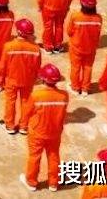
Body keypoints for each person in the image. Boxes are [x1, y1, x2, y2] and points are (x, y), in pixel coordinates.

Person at [20, 64, 69, 192]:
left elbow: (27, 112)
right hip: (55, 133)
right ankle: (53, 183)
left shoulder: (36, 96)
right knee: (54, 156)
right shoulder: (64, 96)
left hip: (38, 133)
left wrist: (23, 126)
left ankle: (31, 182)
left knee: (34, 157)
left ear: (42, 79)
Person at [0, 19, 42, 135]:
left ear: (18, 31)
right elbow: (37, 67)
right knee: (26, 102)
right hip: (27, 80)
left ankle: (10, 125)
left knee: (10, 102)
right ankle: (24, 126)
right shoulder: (36, 49)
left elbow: (2, 66)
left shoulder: (9, 46)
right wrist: (34, 79)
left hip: (11, 80)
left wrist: (0, 80)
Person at [65, 0, 103, 95]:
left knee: (75, 67)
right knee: (88, 67)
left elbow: (69, 31)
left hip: (76, 47)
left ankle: (75, 87)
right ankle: (85, 88)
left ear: (82, 4)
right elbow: (97, 33)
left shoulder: (76, 16)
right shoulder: (98, 18)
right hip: (91, 48)